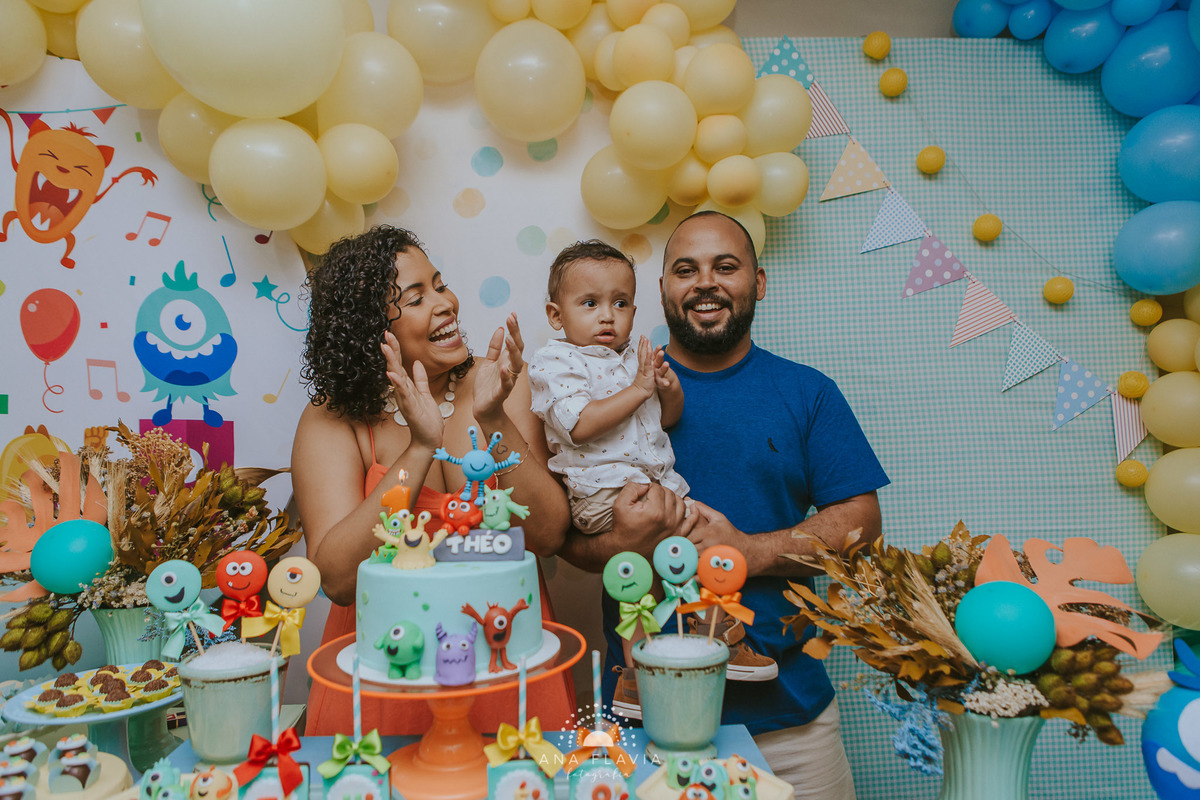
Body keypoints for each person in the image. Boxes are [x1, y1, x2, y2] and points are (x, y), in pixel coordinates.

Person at [558, 211, 889, 799]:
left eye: (725, 267)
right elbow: (569, 543)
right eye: (685, 269)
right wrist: (632, 541)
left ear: (758, 283)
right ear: (660, 292)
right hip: (648, 717)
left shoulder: (806, 392)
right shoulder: (600, 398)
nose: (704, 282)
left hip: (791, 720)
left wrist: (748, 551)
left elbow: (862, 526)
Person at [292, 224, 573, 736]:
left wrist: (494, 421)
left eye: (439, 285)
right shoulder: (331, 419)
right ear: (370, 331)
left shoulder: (500, 381)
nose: (446, 303)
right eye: (417, 298)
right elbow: (333, 578)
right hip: (383, 666)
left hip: (503, 653)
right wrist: (420, 449)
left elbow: (549, 534)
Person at [528, 240, 688, 537]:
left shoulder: (631, 360)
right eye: (590, 303)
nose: (607, 315)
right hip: (603, 493)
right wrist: (639, 389)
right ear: (556, 315)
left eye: (620, 303)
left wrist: (669, 390)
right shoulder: (556, 362)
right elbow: (578, 426)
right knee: (670, 540)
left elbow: (667, 420)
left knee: (702, 527)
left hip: (659, 482)